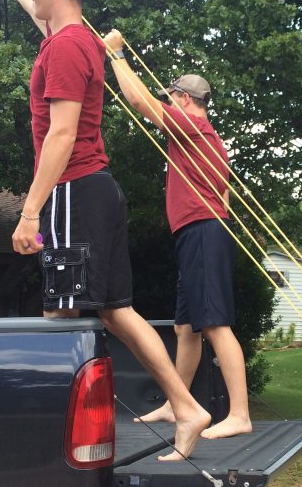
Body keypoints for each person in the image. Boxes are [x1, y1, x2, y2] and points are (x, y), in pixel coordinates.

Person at [0, 0, 210, 459]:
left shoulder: (66, 48)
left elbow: (62, 135)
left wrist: (29, 213)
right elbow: (26, 0)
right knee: (115, 310)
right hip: (98, 190)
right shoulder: (74, 38)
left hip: (73, 190)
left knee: (60, 314)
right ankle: (188, 407)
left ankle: (57, 434)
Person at [102, 29, 252, 439]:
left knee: (217, 324)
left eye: (171, 98)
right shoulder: (211, 139)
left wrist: (116, 54)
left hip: (204, 230)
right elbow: (223, 192)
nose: (169, 104)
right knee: (187, 329)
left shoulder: (193, 127)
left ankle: (239, 413)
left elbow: (138, 101)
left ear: (185, 100)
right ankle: (176, 403)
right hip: (198, 231)